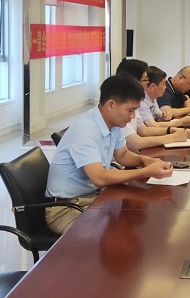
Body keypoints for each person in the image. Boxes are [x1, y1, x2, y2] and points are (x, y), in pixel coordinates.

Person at [45, 74, 174, 234]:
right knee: (114, 233)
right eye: (130, 110)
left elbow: (122, 155)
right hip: (67, 208)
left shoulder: (113, 124)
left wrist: (146, 161)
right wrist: (146, 171)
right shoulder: (86, 129)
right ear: (111, 105)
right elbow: (99, 178)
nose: (133, 116)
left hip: (94, 197)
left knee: (138, 221)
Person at [116, 60, 190, 151]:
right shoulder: (120, 106)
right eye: (145, 80)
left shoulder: (133, 101)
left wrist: (172, 130)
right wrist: (174, 137)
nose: (147, 83)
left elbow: (144, 131)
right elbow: (136, 143)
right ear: (134, 81)